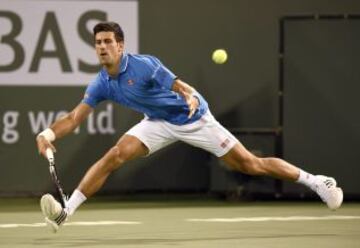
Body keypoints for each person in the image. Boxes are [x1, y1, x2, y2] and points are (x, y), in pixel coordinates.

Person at [36, 22, 343, 233]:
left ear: (120, 46)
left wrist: (191, 97)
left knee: (250, 164)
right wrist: (48, 134)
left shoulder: (143, 64)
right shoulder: (101, 83)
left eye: (108, 42)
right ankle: (66, 212)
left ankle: (317, 182)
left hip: (194, 120)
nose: (102, 47)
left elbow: (182, 86)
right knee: (114, 155)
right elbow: (74, 118)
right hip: (157, 122)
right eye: (98, 43)